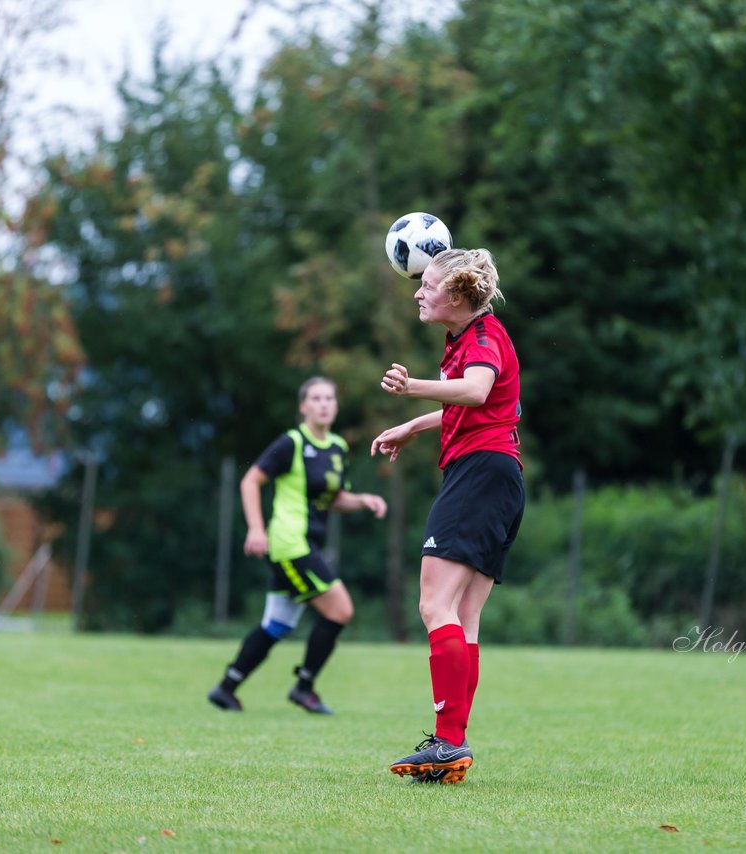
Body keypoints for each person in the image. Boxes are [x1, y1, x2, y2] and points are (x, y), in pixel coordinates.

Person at [370, 248, 525, 785]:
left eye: (427, 285)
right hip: (500, 475)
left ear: (456, 296)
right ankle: (451, 747)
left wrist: (410, 386)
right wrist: (411, 426)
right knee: (465, 615)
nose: (417, 291)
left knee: (434, 604)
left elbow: (477, 390)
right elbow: (473, 399)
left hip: (481, 475)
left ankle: (449, 741)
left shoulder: (482, 339)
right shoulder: (472, 337)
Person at [207, 377, 386, 715]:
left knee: (277, 625)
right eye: (316, 398)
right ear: (303, 406)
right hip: (290, 544)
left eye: (329, 398)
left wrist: (363, 500)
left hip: (306, 544)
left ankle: (227, 687)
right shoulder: (291, 443)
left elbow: (334, 498)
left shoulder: (337, 447)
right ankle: (304, 687)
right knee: (341, 610)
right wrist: (256, 529)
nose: (323, 404)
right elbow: (250, 480)